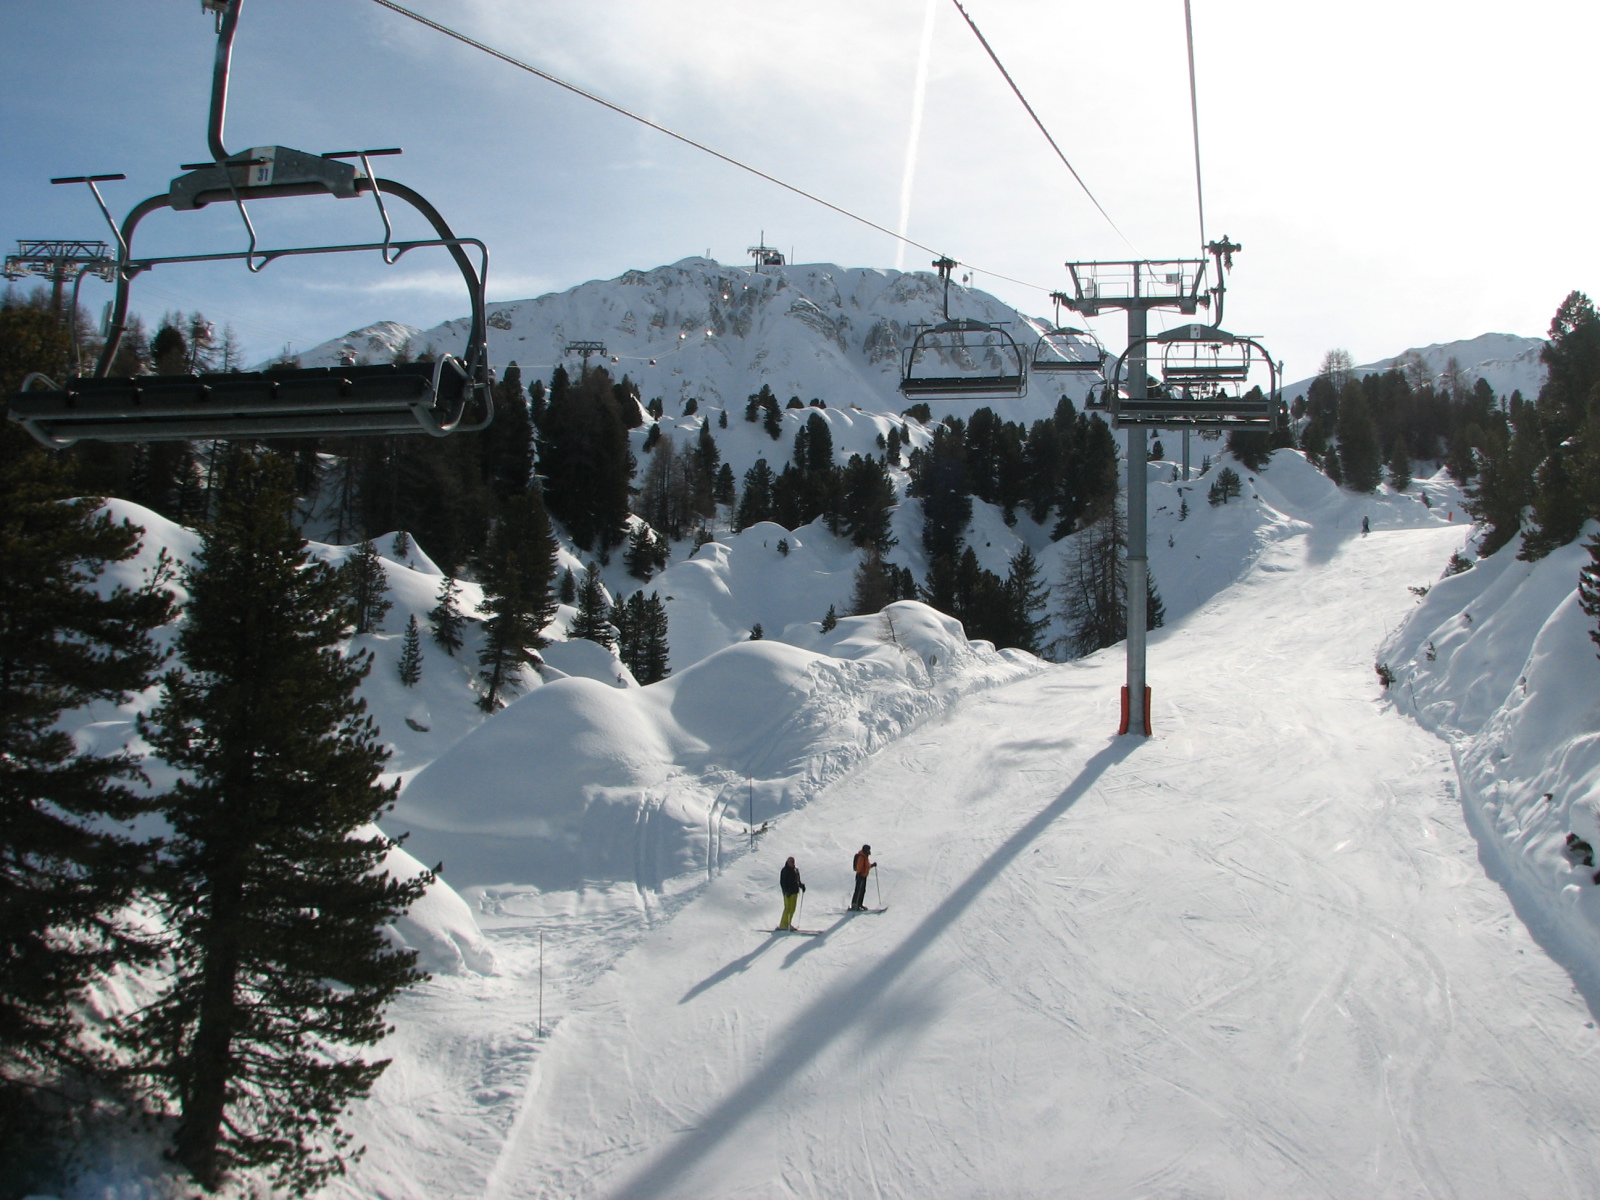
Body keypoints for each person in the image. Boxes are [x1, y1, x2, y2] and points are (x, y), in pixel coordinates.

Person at [778, 856, 805, 930]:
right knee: (787, 908)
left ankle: (788, 923)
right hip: (787, 893)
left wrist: (801, 886)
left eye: (793, 862)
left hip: (794, 892)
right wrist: (786, 891)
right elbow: (782, 882)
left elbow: (797, 881)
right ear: (787, 862)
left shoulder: (796, 870)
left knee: (792, 909)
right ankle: (783, 924)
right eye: (791, 862)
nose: (792, 863)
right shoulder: (785, 870)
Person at [849, 844, 876, 911]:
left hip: (863, 876)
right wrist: (861, 874)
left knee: (862, 890)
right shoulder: (861, 857)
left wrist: (872, 865)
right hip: (860, 876)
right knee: (858, 890)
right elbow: (859, 867)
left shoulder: (865, 856)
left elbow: (866, 866)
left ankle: (859, 904)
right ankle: (855, 905)